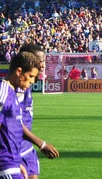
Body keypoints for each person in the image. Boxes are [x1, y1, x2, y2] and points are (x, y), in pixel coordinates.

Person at [0, 52, 41, 179]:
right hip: (3, 168)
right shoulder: (1, 94)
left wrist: (17, 163)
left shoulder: (12, 92)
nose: (33, 81)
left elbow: (11, 131)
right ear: (19, 71)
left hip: (12, 165)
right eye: (30, 76)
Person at [18, 44, 60, 179]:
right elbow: (14, 122)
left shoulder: (27, 86)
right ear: (29, 60)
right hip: (15, 150)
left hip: (27, 149)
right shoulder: (17, 88)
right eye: (40, 61)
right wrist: (41, 144)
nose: (43, 65)